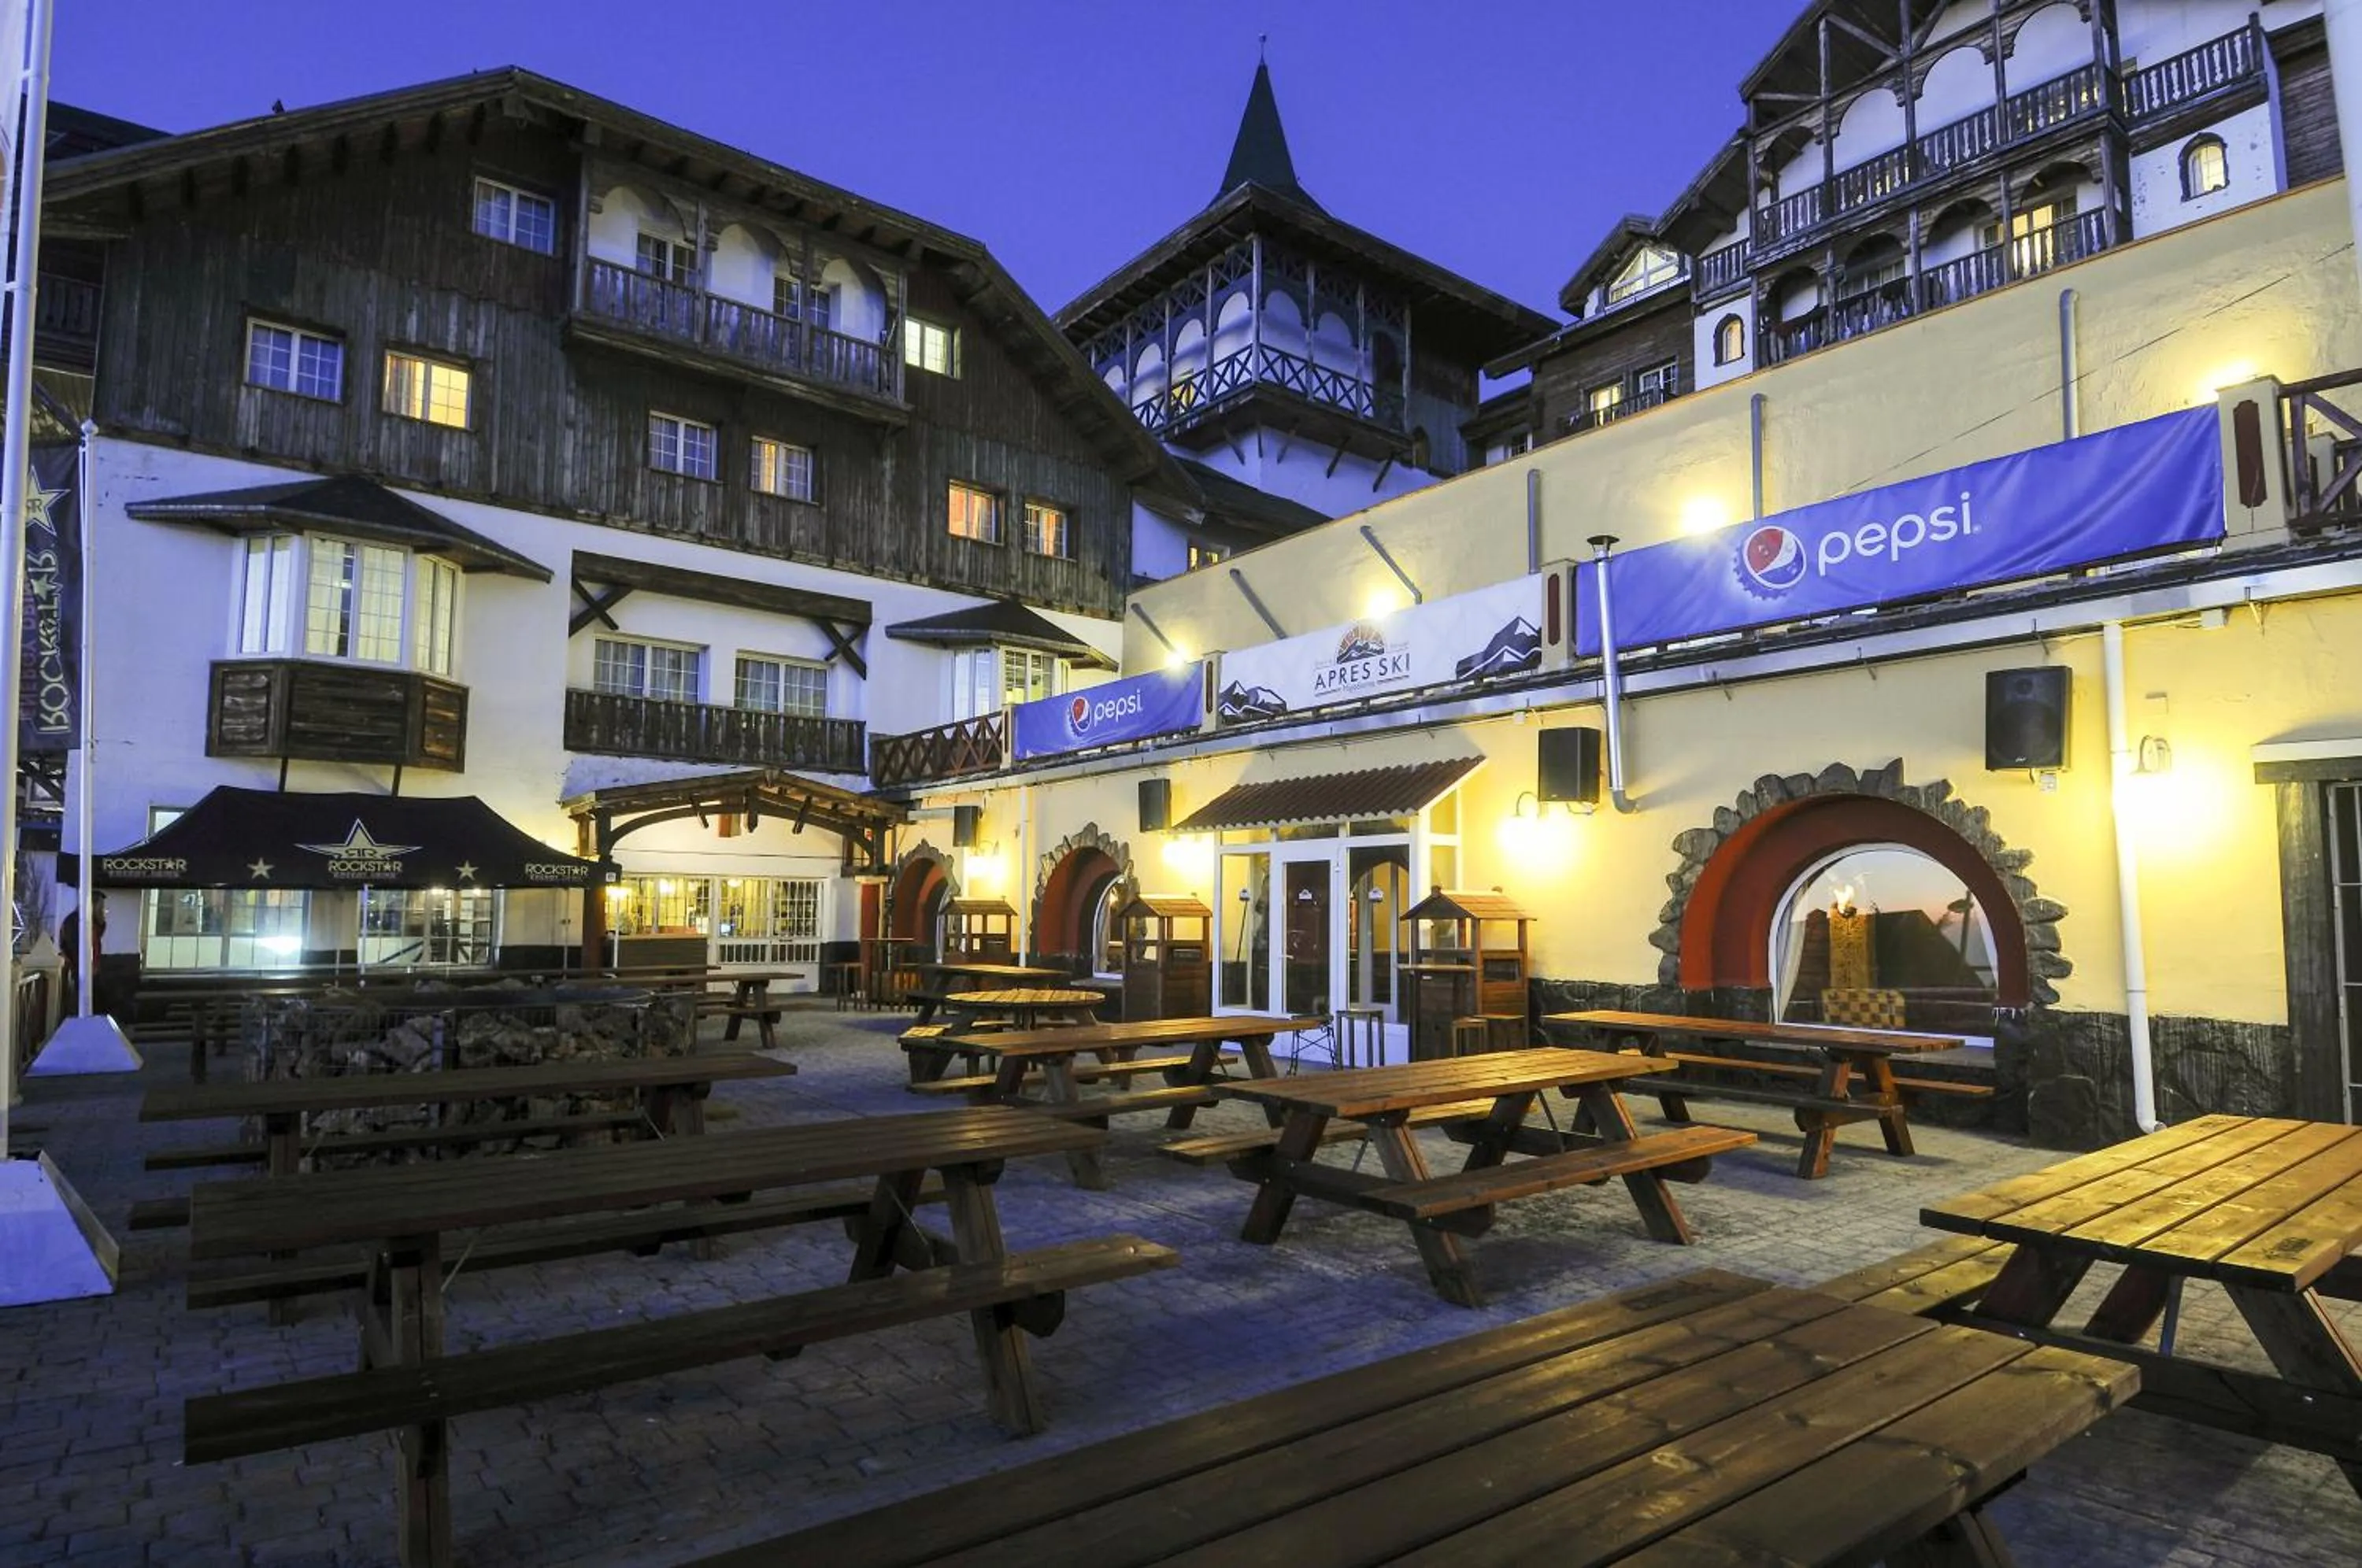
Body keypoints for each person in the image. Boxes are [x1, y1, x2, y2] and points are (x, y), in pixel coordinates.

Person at [58, 891, 106, 1015]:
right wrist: (83, 969)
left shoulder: (90, 922)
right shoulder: (75, 922)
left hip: (91, 972)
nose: (104, 910)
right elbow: (75, 948)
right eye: (101, 907)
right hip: (80, 973)